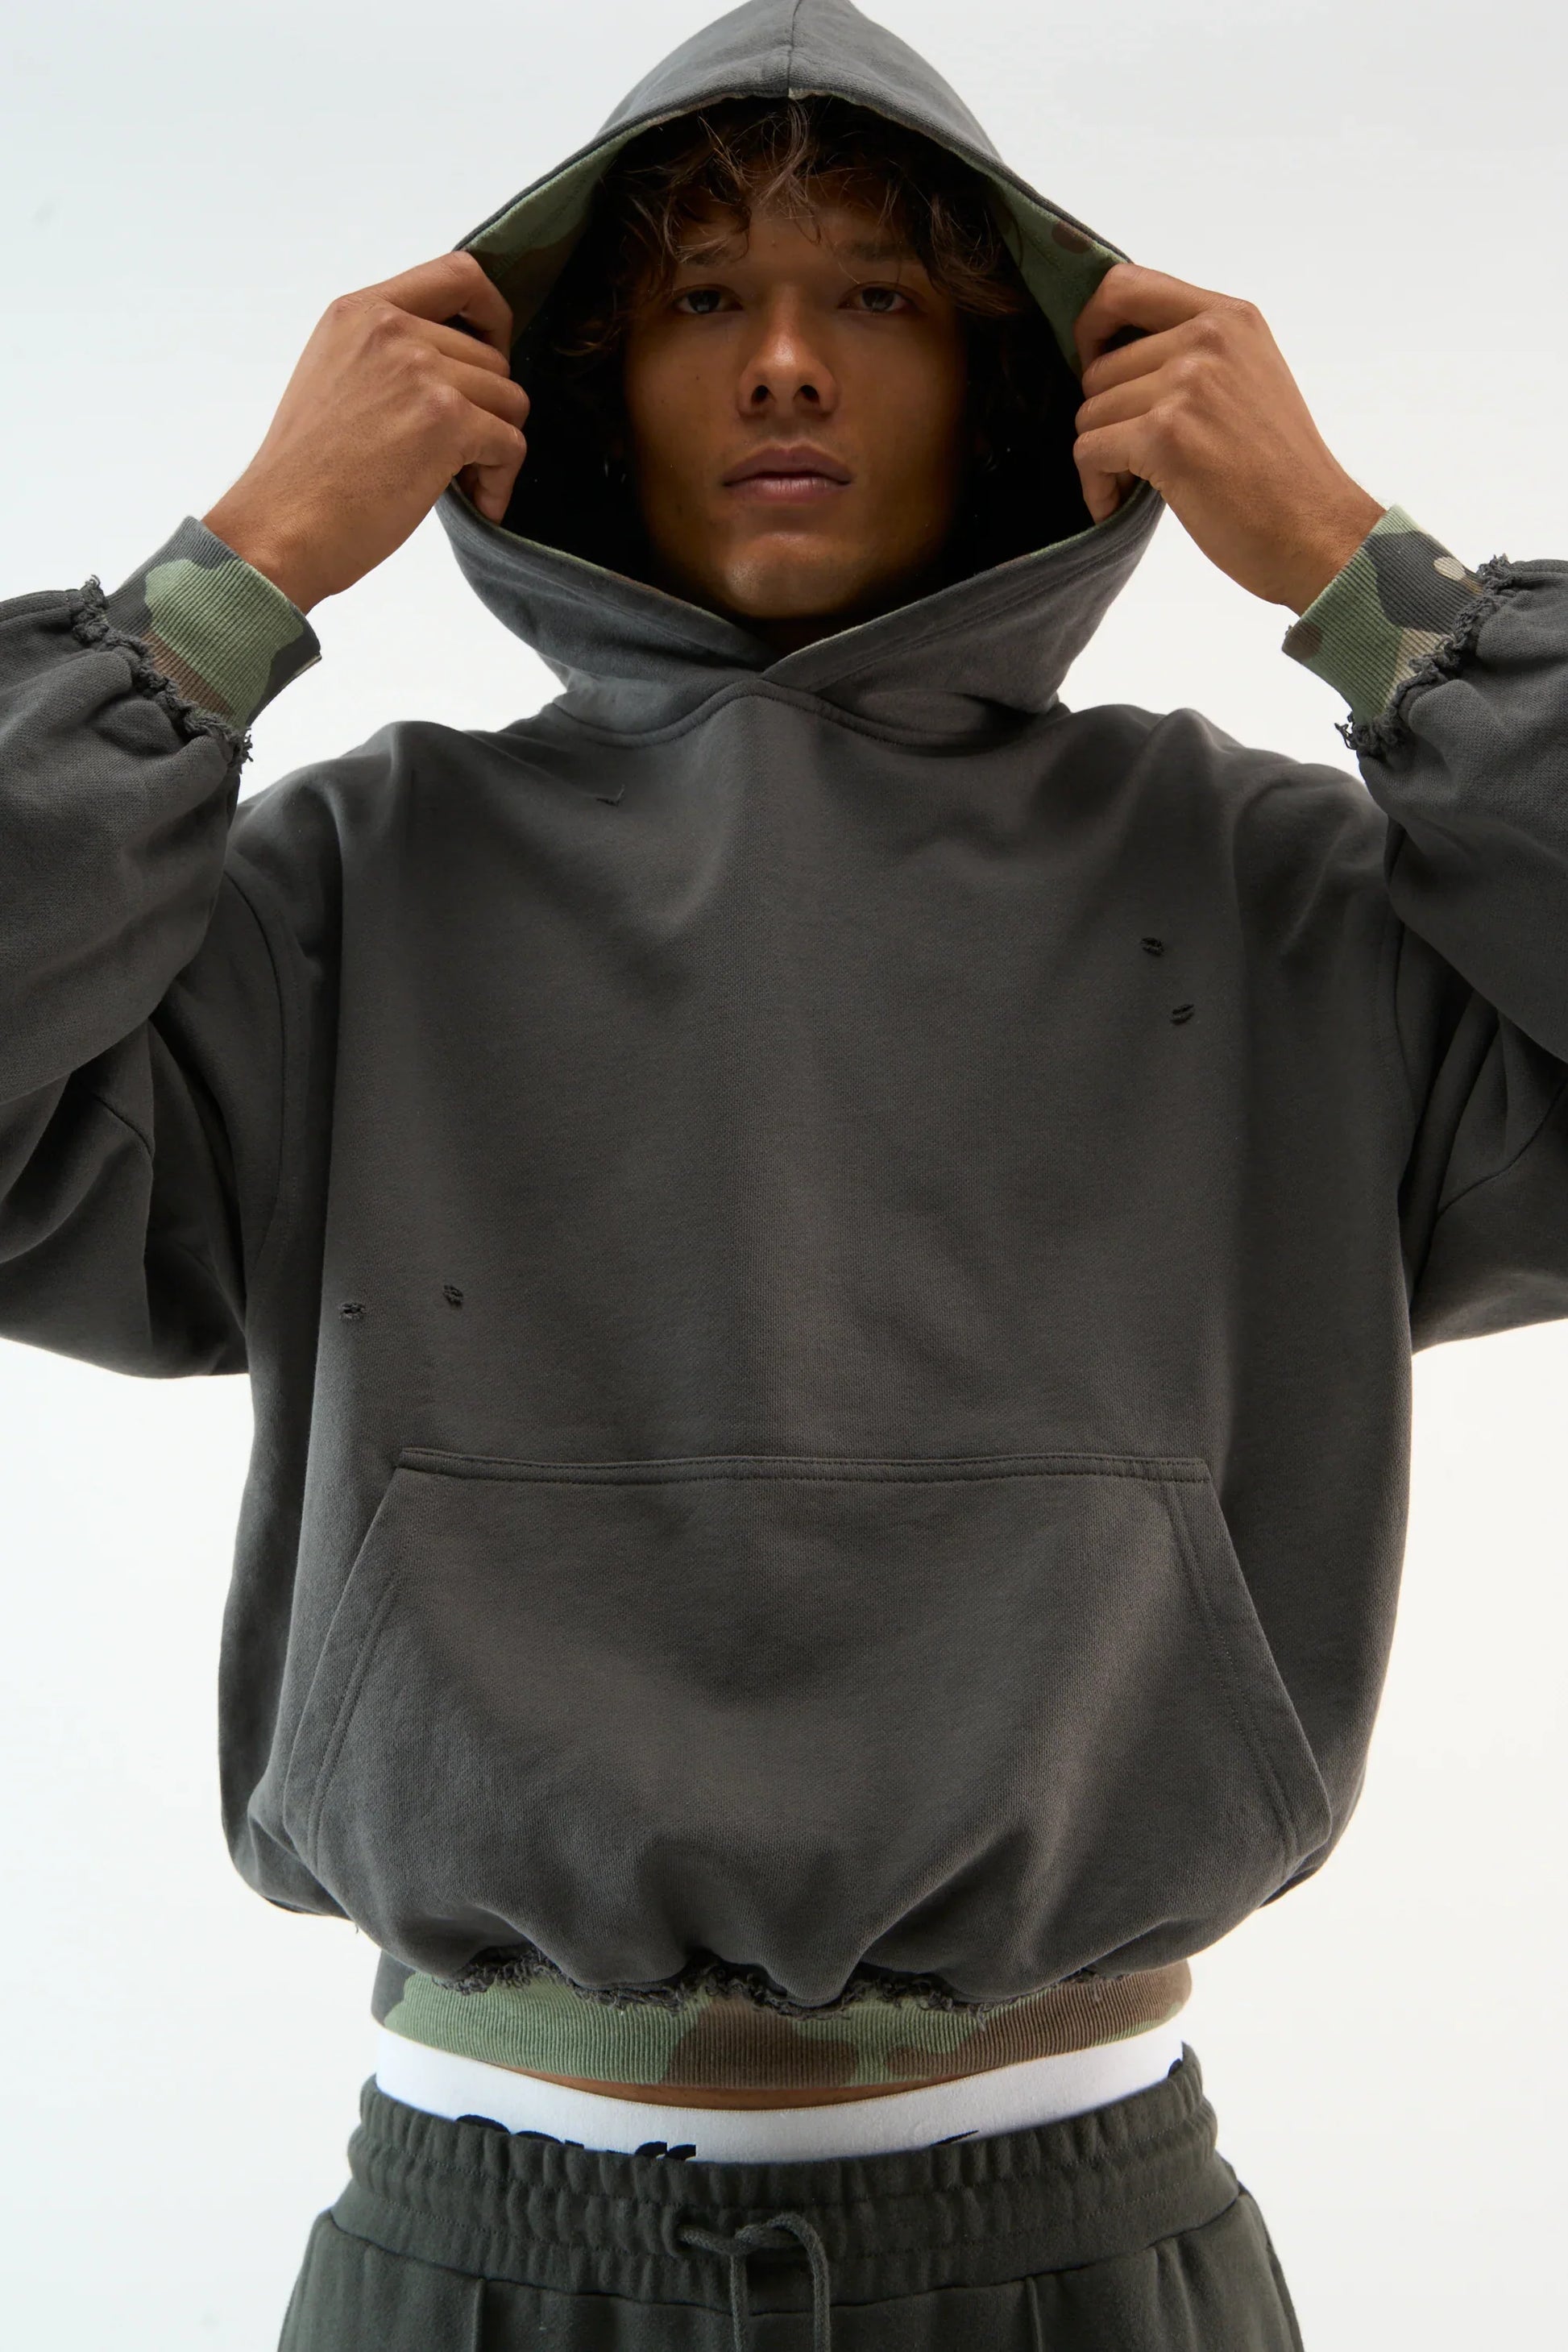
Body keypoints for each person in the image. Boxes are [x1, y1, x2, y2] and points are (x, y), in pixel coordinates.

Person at [3, 0, 1564, 2342]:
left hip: (1081, 2240)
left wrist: (1372, 582)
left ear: (1016, 376)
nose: (787, 366)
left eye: (881, 295)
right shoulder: (350, 889)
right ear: (570, 380)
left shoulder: (1273, 893)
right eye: (702, 298)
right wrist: (232, 583)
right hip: (474, 2245)